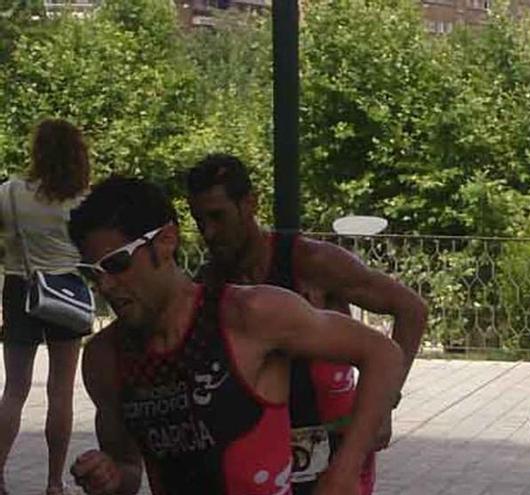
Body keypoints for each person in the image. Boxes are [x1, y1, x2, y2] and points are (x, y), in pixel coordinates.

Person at [67, 177, 404, 495]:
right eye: (91, 274)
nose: (105, 286)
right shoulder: (104, 356)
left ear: (166, 241)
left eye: (115, 264)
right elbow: (128, 469)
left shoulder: (248, 314)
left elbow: (383, 353)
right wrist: (109, 476)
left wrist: (345, 470)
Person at [184, 154, 427, 493]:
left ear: (250, 204)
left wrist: (385, 404)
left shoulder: (310, 261)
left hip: (335, 445)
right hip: (265, 451)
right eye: (199, 221)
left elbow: (411, 309)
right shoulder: (209, 285)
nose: (209, 232)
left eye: (218, 217)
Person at [0, 119, 91, 495]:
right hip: (66, 291)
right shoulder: (83, 200)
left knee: (16, 388)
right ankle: (55, 481)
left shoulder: (8, 193)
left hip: (20, 289)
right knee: (61, 391)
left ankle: (0, 473)